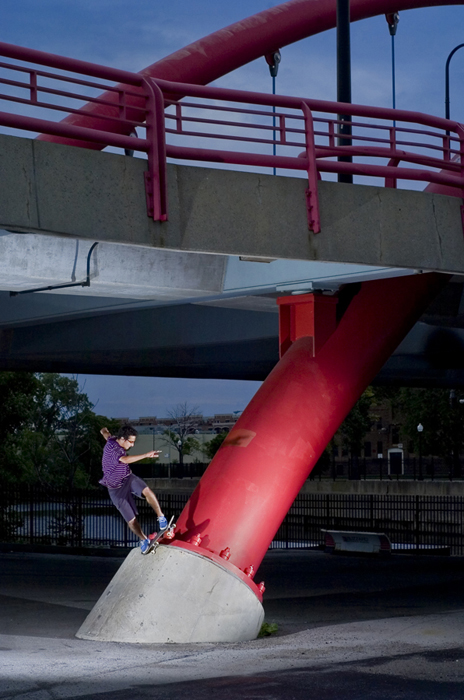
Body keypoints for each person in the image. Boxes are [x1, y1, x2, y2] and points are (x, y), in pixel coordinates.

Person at [100, 424, 168, 554]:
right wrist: (146, 455)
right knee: (131, 520)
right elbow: (125, 459)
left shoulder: (112, 439)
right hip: (115, 489)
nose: (132, 445)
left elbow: (105, 433)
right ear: (123, 439)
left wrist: (103, 429)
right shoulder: (114, 450)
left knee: (147, 491)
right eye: (131, 442)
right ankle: (143, 539)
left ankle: (161, 517)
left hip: (128, 478)